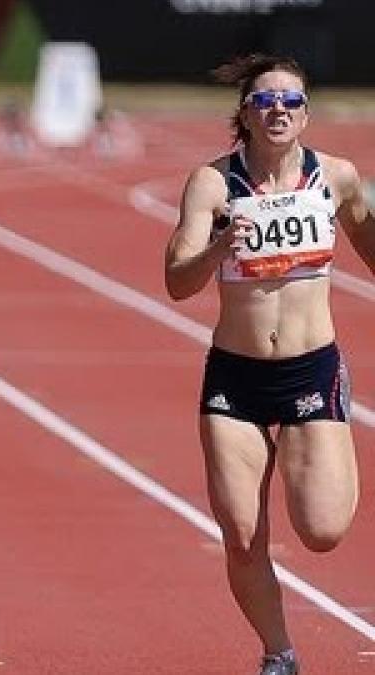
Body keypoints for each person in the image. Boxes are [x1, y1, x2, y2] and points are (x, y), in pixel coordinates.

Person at [164, 54, 375, 675]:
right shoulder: (213, 183)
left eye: (290, 100)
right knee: (240, 530)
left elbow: (368, 239)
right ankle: (279, 654)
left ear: (305, 113)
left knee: (323, 530)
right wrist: (219, 246)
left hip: (310, 370)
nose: (277, 110)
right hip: (236, 377)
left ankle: (320, 440)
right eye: (264, 101)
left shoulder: (336, 178)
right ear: (247, 115)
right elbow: (176, 282)